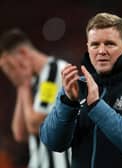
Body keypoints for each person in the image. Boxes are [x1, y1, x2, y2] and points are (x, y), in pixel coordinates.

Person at [40, 12, 122, 168]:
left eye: (109, 44)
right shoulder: (76, 87)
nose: (101, 51)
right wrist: (68, 103)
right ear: (88, 47)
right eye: (95, 44)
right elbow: (53, 143)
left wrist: (96, 106)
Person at [0, 28, 71, 168]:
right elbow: (20, 133)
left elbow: (34, 125)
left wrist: (24, 86)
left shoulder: (55, 72)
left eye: (10, 67)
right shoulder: (32, 81)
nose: (10, 74)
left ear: (23, 53)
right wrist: (21, 86)